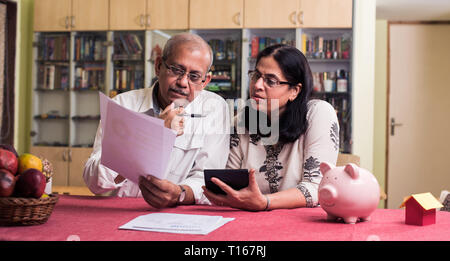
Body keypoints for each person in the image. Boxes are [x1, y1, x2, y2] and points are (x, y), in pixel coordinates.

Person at [83, 33, 230, 208]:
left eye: (194, 76)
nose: (183, 82)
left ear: (205, 82)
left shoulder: (214, 108)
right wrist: (153, 134)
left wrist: (179, 194)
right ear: (159, 66)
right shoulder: (122, 104)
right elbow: (94, 183)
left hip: (180, 216)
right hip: (121, 212)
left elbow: (208, 179)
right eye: (176, 70)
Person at [202, 44, 339, 211]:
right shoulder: (242, 122)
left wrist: (264, 202)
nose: (257, 85)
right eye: (256, 75)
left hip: (303, 223)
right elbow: (228, 183)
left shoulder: (318, 114)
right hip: (250, 220)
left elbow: (316, 187)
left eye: (270, 81)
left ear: (294, 91)